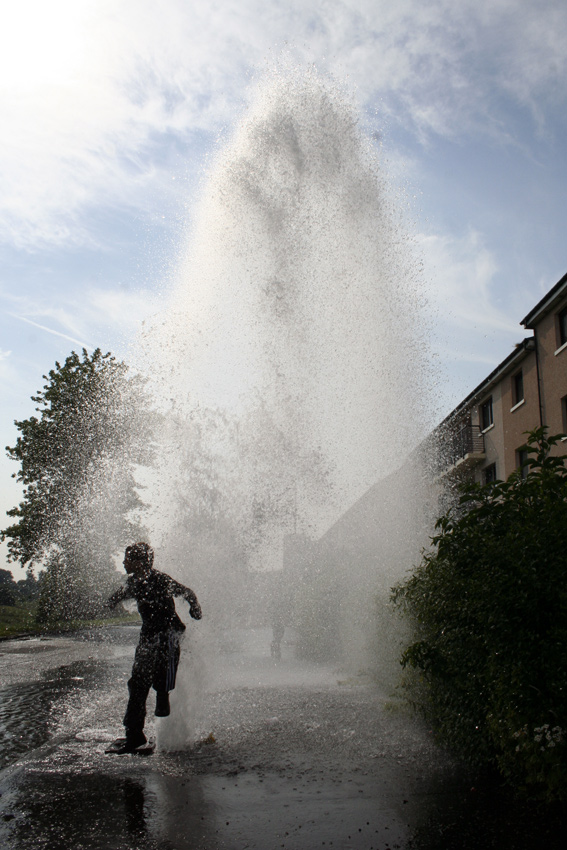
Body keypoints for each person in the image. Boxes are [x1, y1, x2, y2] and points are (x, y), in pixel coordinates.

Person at [107, 542, 202, 752]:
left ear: (141, 562)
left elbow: (188, 592)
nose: (124, 562)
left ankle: (163, 694)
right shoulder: (132, 583)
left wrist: (195, 608)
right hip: (148, 634)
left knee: (162, 677)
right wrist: (108, 602)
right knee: (137, 684)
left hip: (169, 633)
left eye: (128, 558)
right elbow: (119, 595)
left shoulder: (160, 579)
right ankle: (134, 735)